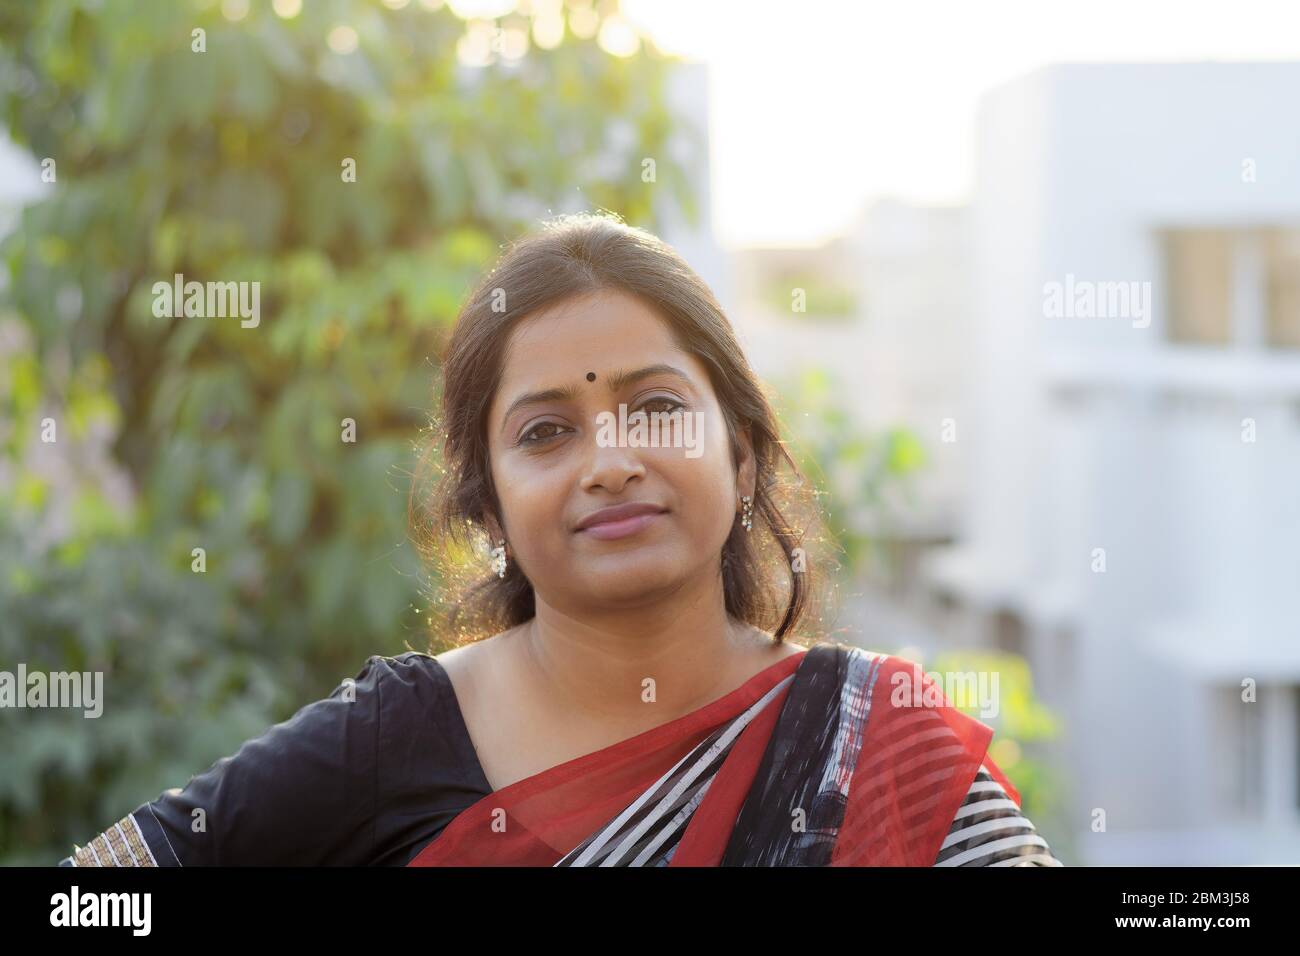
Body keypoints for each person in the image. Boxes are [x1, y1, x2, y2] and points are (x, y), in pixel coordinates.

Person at [60, 213, 1060, 867]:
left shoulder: (875, 742)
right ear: (490, 507)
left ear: (743, 456)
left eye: (657, 406)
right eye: (545, 431)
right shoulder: (390, 735)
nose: (609, 460)